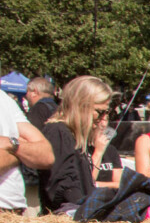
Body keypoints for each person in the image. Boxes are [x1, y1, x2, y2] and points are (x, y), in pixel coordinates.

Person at [38, 76, 120, 215]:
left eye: (107, 112)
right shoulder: (58, 132)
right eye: (100, 112)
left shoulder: (73, 136)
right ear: (81, 106)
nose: (102, 118)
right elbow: (62, 190)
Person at [0, 91, 53, 214]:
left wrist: (10, 144)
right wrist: (21, 154)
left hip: (14, 212)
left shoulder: (4, 99)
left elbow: (46, 155)